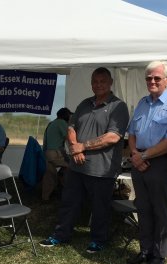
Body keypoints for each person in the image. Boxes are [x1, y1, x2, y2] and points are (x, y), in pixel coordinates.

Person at [39, 67, 130, 253]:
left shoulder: (118, 106)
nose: (98, 85)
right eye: (95, 81)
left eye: (102, 81)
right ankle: (61, 235)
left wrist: (83, 146)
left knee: (100, 207)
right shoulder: (84, 104)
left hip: (102, 169)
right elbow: (71, 127)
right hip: (77, 166)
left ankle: (98, 239)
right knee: (69, 202)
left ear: (110, 82)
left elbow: (113, 136)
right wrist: (74, 148)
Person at [125, 61, 167, 264]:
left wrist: (142, 156)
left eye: (157, 78)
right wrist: (135, 155)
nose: (152, 81)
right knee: (142, 207)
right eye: (149, 78)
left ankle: (159, 254)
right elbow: (132, 132)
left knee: (159, 208)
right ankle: (145, 250)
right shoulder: (143, 103)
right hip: (138, 160)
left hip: (160, 162)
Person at [41, 107, 72, 201]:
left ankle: (45, 197)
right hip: (55, 153)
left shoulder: (51, 123)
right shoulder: (62, 123)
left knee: (49, 175)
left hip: (48, 153)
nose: (70, 117)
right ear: (66, 116)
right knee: (70, 168)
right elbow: (69, 138)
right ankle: (67, 194)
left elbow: (45, 142)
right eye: (69, 115)